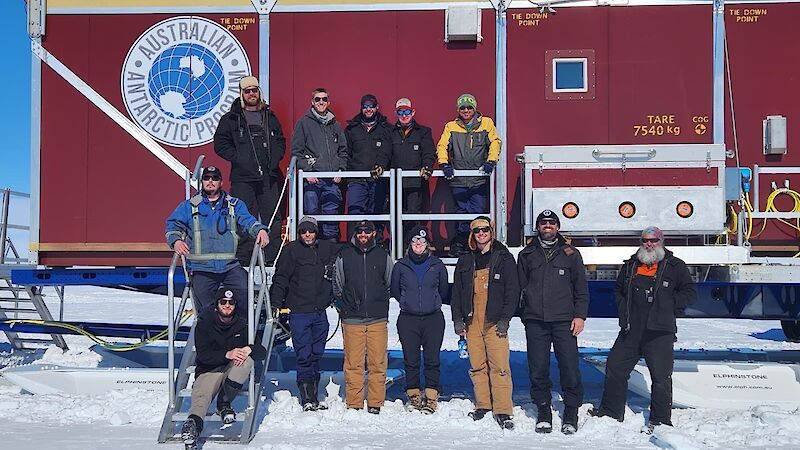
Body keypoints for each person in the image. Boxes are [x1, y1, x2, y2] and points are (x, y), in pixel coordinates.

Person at [589, 226, 696, 434]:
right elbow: (618, 291)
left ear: (661, 241)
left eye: (653, 240)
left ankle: (660, 420)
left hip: (659, 331)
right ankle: (611, 412)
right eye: (645, 240)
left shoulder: (675, 266)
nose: (649, 244)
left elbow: (690, 293)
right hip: (631, 328)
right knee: (615, 367)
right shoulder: (631, 265)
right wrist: (623, 309)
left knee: (661, 376)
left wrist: (668, 303)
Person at [517, 209, 589, 435]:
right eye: (543, 223)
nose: (547, 226)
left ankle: (571, 412)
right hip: (536, 321)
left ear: (558, 227)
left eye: (551, 223)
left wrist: (580, 315)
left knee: (569, 367)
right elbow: (519, 287)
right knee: (538, 368)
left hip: (564, 321)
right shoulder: (527, 254)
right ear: (537, 227)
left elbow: (581, 288)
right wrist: (525, 314)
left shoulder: (571, 254)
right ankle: (543, 411)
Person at [165, 166, 269, 316]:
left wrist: (259, 230)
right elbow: (173, 225)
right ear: (202, 182)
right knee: (206, 308)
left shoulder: (234, 205)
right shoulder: (189, 206)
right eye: (206, 178)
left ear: (221, 182)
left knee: (245, 289)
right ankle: (210, 329)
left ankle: (242, 327)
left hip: (230, 266)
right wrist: (176, 241)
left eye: (215, 178)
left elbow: (248, 221)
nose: (210, 181)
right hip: (202, 269)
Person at [451, 216, 519, 429]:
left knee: (499, 366)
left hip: (495, 320)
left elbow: (512, 291)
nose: (481, 234)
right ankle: (483, 404)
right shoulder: (465, 260)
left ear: (491, 232)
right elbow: (457, 293)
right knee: (477, 365)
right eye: (477, 231)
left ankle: (503, 409)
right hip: (472, 320)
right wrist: (458, 320)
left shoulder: (503, 258)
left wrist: (505, 319)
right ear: (472, 235)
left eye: (485, 230)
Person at [181, 287, 267, 449]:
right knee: (202, 396)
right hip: (210, 369)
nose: (227, 305)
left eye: (231, 303)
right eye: (223, 302)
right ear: (217, 304)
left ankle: (224, 403)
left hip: (231, 369)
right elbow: (204, 355)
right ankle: (192, 428)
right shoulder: (204, 324)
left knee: (247, 360)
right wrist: (227, 354)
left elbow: (261, 352)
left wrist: (249, 348)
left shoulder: (243, 324)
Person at [213, 75, 286, 266]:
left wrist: (274, 160)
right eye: (247, 91)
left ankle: (271, 259)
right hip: (242, 177)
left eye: (254, 90)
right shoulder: (231, 119)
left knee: (273, 218)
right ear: (241, 94)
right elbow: (220, 145)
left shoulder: (269, 117)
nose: (251, 94)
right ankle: (243, 261)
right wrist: (240, 158)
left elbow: (280, 141)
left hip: (268, 177)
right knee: (240, 217)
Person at [269, 216, 340, 411]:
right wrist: (275, 303)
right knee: (304, 354)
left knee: (317, 353)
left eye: (311, 231)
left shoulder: (326, 248)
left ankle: (314, 392)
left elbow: (347, 251)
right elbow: (281, 278)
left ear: (316, 232)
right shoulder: (291, 251)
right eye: (303, 231)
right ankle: (307, 396)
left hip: (320, 312)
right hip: (299, 312)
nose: (307, 235)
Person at [332, 220, 394, 414]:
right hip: (352, 319)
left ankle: (375, 401)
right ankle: (355, 402)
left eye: (367, 231)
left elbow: (390, 283)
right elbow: (338, 286)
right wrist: (347, 304)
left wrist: (378, 301)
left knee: (378, 362)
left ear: (374, 233)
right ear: (355, 234)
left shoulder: (383, 255)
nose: (363, 235)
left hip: (377, 318)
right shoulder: (344, 255)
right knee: (353, 363)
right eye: (360, 231)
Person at [390, 225, 449, 414]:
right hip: (408, 319)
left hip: (433, 319)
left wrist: (431, 301)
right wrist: (407, 302)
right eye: (415, 240)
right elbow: (395, 290)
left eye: (422, 241)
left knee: (432, 359)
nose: (418, 244)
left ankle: (431, 395)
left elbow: (443, 290)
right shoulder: (401, 266)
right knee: (411, 359)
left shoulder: (437, 265)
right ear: (410, 243)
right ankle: (413, 394)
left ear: (427, 244)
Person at [436, 94, 501, 256]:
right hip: (458, 179)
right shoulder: (451, 126)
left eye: (469, 107)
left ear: (475, 108)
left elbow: (495, 142)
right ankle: (462, 244)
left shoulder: (486, 123)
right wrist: (444, 163)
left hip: (478, 179)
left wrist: (491, 161)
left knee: (478, 212)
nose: (466, 110)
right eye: (462, 108)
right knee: (461, 213)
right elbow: (442, 145)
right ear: (458, 110)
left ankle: (478, 244)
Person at [291, 87, 348, 241]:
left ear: (328, 102)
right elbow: (296, 151)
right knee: (311, 217)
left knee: (331, 218)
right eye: (317, 99)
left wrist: (341, 169)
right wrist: (307, 171)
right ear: (312, 102)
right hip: (312, 180)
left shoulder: (335, 125)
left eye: (324, 99)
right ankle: (311, 250)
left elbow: (343, 150)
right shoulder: (303, 123)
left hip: (331, 181)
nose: (321, 102)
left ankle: (330, 251)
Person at [376, 98, 435, 244]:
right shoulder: (390, 132)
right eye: (400, 112)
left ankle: (412, 246)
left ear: (413, 112)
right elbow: (384, 153)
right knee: (395, 216)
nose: (404, 115)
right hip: (395, 185)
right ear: (396, 113)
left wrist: (427, 166)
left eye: (407, 112)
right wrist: (380, 165)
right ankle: (397, 245)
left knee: (413, 215)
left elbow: (429, 152)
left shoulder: (423, 132)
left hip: (415, 184)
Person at [344, 94, 393, 241]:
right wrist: (350, 174)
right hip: (357, 180)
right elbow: (346, 153)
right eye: (365, 106)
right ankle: (353, 245)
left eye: (371, 106)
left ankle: (376, 245)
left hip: (378, 180)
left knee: (376, 213)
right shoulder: (352, 129)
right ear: (361, 108)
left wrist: (382, 167)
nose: (368, 109)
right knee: (355, 212)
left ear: (377, 107)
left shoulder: (386, 129)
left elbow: (389, 151)